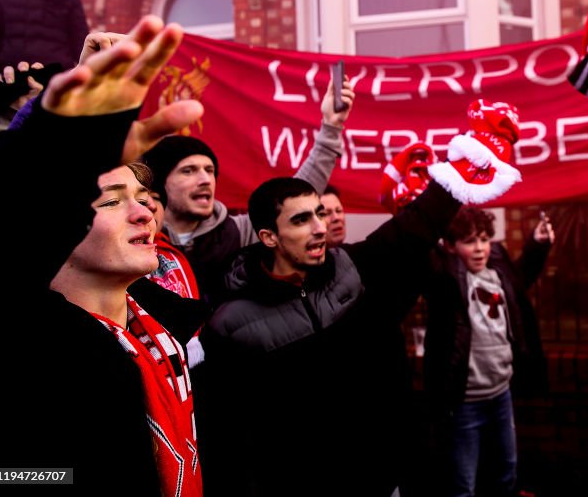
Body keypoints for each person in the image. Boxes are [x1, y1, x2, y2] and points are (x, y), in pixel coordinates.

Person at [198, 104, 524, 497]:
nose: (319, 228)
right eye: (301, 220)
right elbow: (229, 436)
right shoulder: (230, 325)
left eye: (319, 214)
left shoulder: (347, 268)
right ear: (268, 237)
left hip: (379, 481)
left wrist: (461, 170)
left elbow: (412, 229)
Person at [0, 16, 208, 495]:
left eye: (143, 197)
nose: (144, 213)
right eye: (109, 201)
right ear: (59, 229)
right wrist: (53, 139)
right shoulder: (18, 350)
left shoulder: (169, 334)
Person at [141, 76, 352, 306]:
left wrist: (331, 126)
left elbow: (297, 194)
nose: (205, 180)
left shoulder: (237, 232)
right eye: (189, 171)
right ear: (161, 184)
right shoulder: (140, 235)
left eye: (210, 170)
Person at [424, 206, 554, 497]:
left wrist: (537, 243)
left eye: (484, 239)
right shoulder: (446, 278)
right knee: (463, 485)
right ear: (451, 247)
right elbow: (428, 255)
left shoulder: (497, 269)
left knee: (506, 473)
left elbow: (520, 282)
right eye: (469, 241)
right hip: (465, 403)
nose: (480, 248)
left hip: (500, 395)